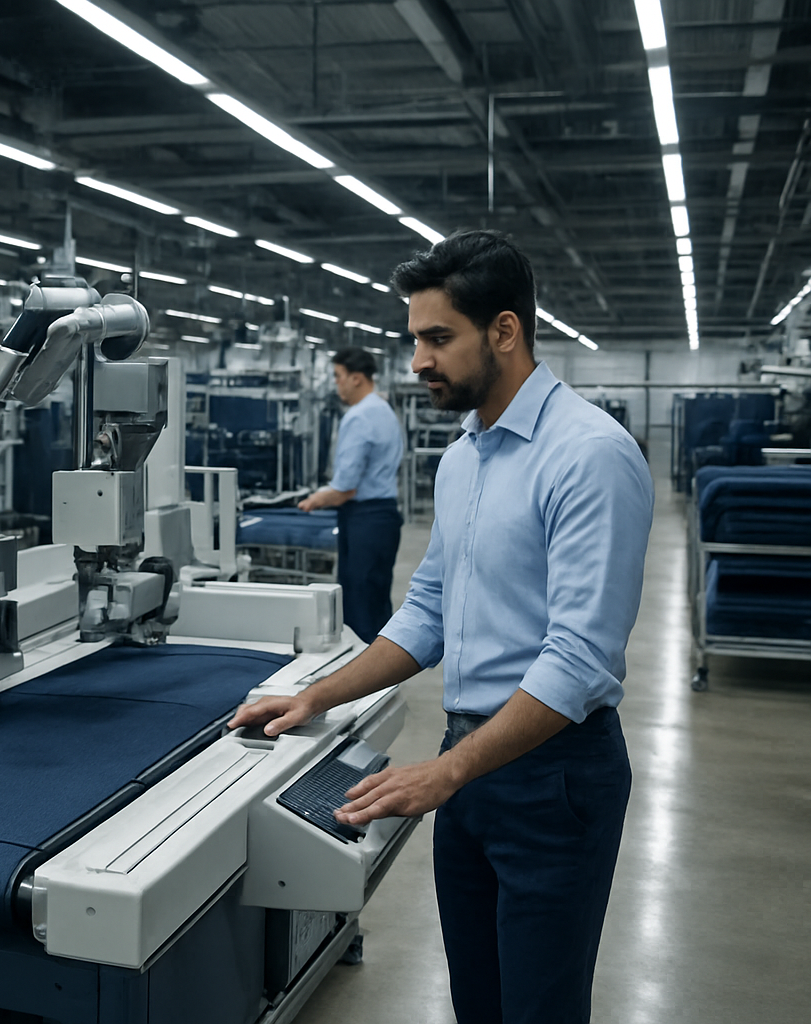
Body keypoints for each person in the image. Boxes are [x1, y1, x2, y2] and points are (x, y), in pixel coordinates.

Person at [231, 230, 653, 1024]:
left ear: (505, 331)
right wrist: (319, 695)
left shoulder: (589, 455)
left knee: (538, 1008)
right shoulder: (463, 457)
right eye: (414, 339)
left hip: (552, 776)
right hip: (469, 765)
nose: (418, 361)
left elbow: (579, 660)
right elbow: (427, 611)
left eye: (437, 338)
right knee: (479, 1003)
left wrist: (449, 771)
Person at [298, 347, 404, 643]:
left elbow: (345, 489)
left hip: (363, 520)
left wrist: (312, 501)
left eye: (338, 376)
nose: (336, 383)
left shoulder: (359, 417)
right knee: (376, 603)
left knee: (358, 609)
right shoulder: (384, 410)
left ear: (356, 378)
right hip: (384, 517)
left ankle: (364, 668)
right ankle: (383, 668)